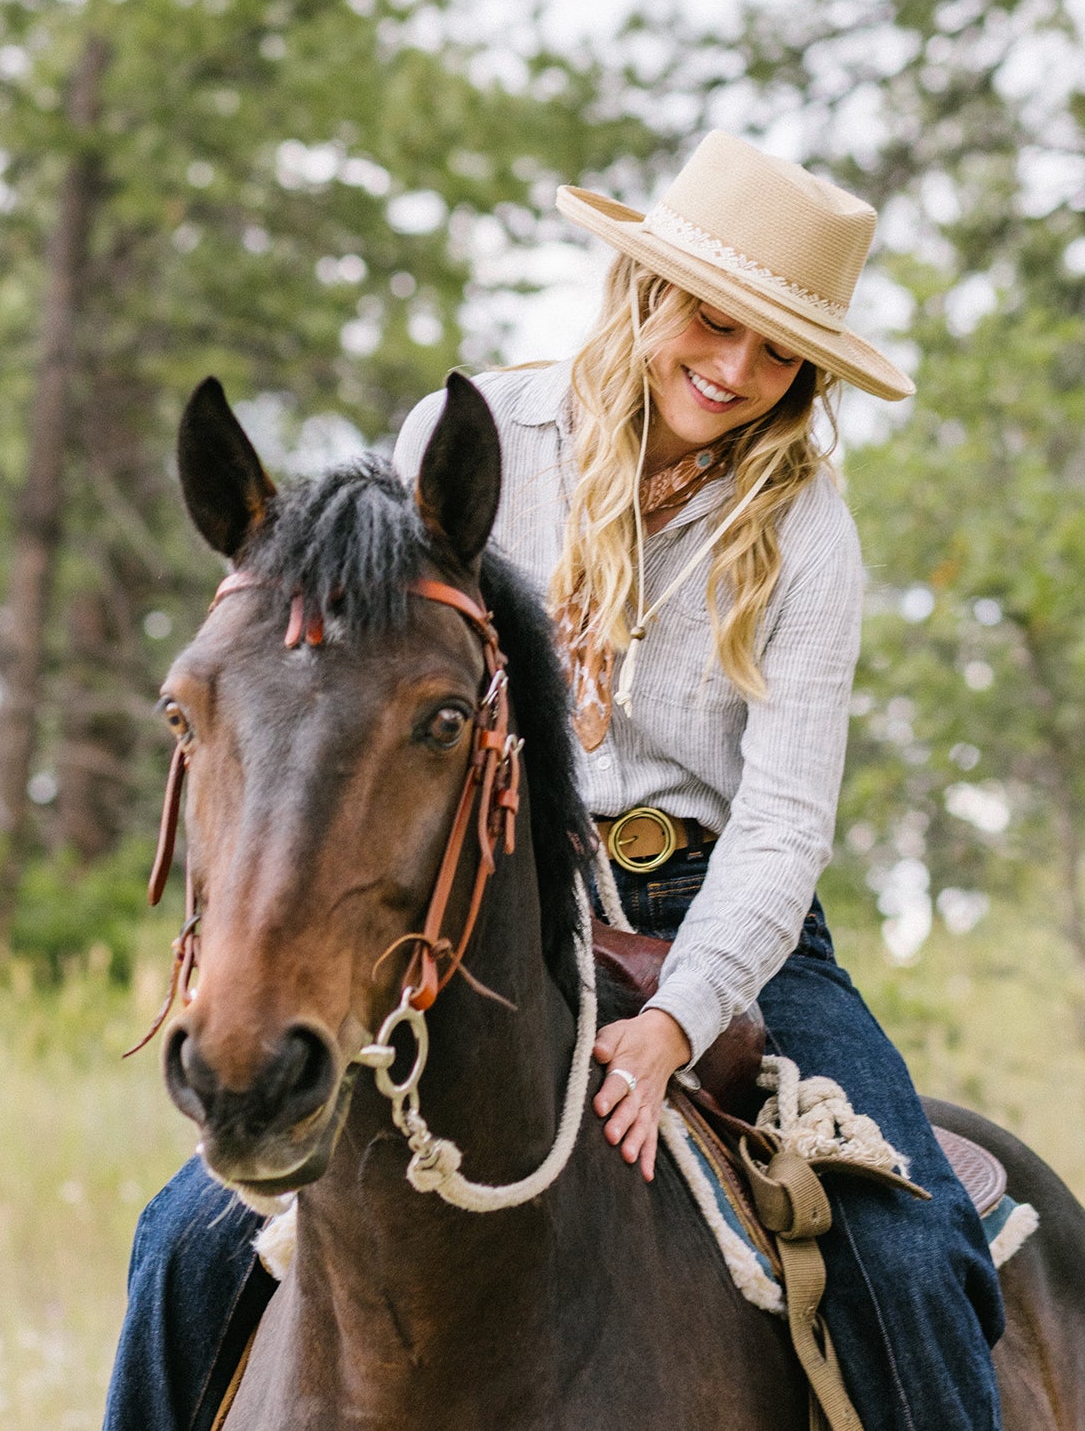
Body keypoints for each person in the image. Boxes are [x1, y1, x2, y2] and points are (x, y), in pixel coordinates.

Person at [104, 131, 1004, 1431]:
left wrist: (678, 1020)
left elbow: (787, 819)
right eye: (712, 319)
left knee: (916, 1256)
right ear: (648, 292)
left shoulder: (808, 533)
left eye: (776, 349)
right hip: (502, 892)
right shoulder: (480, 441)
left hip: (725, 914)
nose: (734, 369)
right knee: (184, 1243)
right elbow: (361, 685)